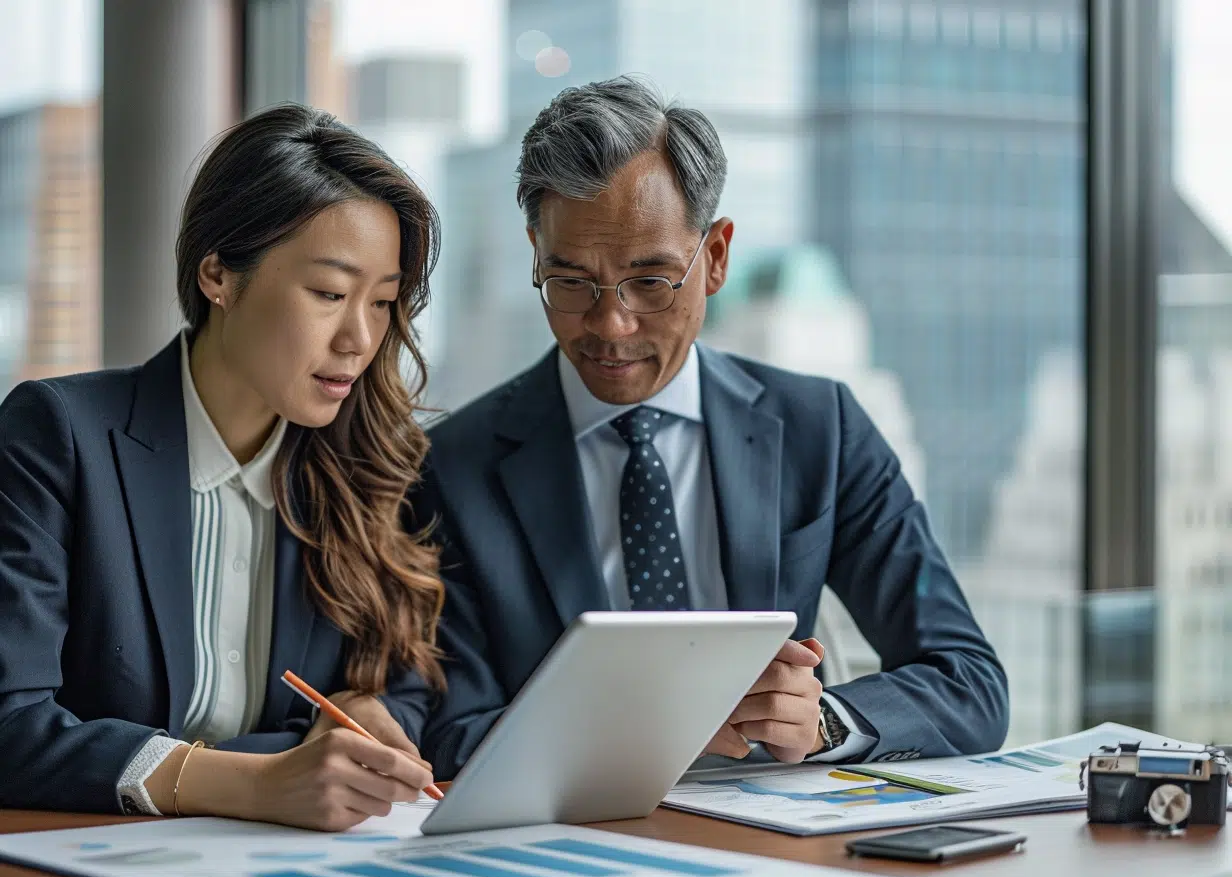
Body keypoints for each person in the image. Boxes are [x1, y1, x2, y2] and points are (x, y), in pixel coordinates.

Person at [412, 76, 1009, 779]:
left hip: (774, 850)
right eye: (572, 281)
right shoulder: (453, 468)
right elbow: (447, 735)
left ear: (715, 258)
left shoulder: (821, 430)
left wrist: (822, 721)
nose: (611, 324)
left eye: (650, 281)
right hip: (571, 844)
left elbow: (969, 681)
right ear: (536, 255)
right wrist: (643, 728)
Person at [0, 103, 444, 830]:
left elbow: (404, 686)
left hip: (281, 869)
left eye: (385, 302)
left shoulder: (358, 460)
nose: (361, 338)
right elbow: (11, 723)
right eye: (330, 294)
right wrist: (252, 779)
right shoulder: (58, 437)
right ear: (218, 275)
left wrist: (368, 710)